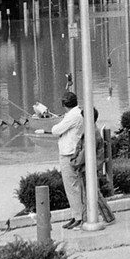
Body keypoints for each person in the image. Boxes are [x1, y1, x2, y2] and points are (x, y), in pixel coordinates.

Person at [37, 91, 84, 229]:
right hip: (72, 151)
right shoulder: (76, 113)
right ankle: (76, 215)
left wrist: (51, 127)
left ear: (64, 104)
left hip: (68, 153)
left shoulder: (72, 116)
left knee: (71, 187)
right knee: (74, 186)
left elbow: (57, 130)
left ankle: (78, 217)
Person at [72, 108, 115, 225]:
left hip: (88, 168)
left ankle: (106, 217)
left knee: (92, 194)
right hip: (90, 167)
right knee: (91, 194)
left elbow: (85, 152)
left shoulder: (91, 133)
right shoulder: (92, 130)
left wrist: (75, 162)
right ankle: (104, 217)